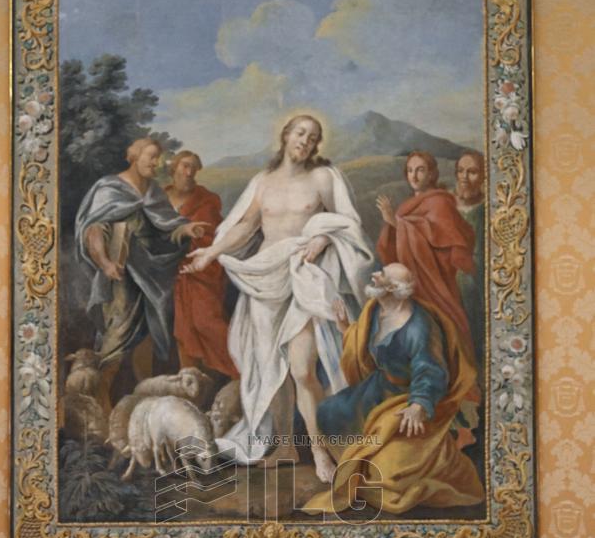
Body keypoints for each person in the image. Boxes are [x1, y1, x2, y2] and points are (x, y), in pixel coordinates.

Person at [182, 115, 374, 482]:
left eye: (313, 137)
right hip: (266, 279)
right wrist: (210, 253)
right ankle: (285, 446)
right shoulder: (263, 182)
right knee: (274, 369)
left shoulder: (323, 177)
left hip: (304, 277)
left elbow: (347, 223)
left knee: (302, 368)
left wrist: (323, 239)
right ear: (286, 136)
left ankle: (319, 450)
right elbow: (244, 226)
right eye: (300, 133)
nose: (305, 141)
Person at [303, 263, 485, 516]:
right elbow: (362, 341)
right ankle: (353, 465)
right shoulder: (375, 309)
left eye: (382, 275)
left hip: (406, 399)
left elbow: (430, 371)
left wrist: (418, 405)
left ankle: (373, 468)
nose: (375, 274)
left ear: (392, 289)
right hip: (378, 389)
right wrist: (345, 328)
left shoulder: (418, 326)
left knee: (389, 472)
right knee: (330, 411)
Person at [75, 137, 206, 409]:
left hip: (152, 276)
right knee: (117, 337)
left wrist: (185, 229)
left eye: (158, 158)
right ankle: (100, 402)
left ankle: (142, 399)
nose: (156, 163)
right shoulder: (109, 189)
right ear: (134, 156)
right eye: (152, 156)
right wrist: (105, 263)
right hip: (121, 274)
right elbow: (94, 230)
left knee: (147, 338)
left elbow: (166, 229)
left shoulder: (154, 192)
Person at [376, 150, 476, 354]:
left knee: (440, 333)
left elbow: (439, 241)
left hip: (435, 282)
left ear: (431, 174)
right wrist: (395, 225)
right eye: (410, 170)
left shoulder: (440, 202)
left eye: (420, 170)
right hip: (412, 281)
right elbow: (391, 249)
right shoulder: (407, 206)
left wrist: (396, 223)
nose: (413, 176)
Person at [165, 151, 238, 382]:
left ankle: (241, 371)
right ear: (174, 168)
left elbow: (212, 237)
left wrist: (190, 243)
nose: (189, 173)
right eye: (185, 166)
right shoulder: (158, 198)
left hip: (199, 271)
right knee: (181, 329)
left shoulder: (206, 200)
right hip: (163, 270)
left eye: (194, 168)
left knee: (206, 322)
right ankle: (189, 380)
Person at [454, 150, 486, 365]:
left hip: (476, 274)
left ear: (483, 176)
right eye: (460, 171)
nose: (464, 177)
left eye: (472, 172)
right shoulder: (447, 203)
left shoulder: (487, 208)